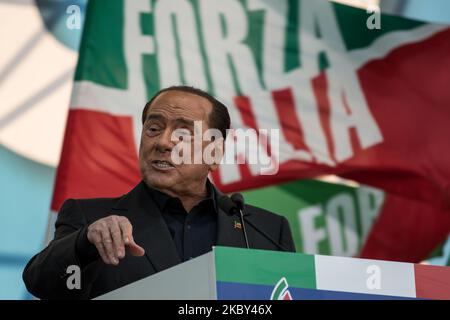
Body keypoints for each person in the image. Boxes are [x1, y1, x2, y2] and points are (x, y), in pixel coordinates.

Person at [23, 86, 296, 299]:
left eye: (182, 134)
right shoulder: (91, 218)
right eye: (153, 129)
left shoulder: (266, 231)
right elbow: (42, 283)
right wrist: (83, 244)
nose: (163, 142)